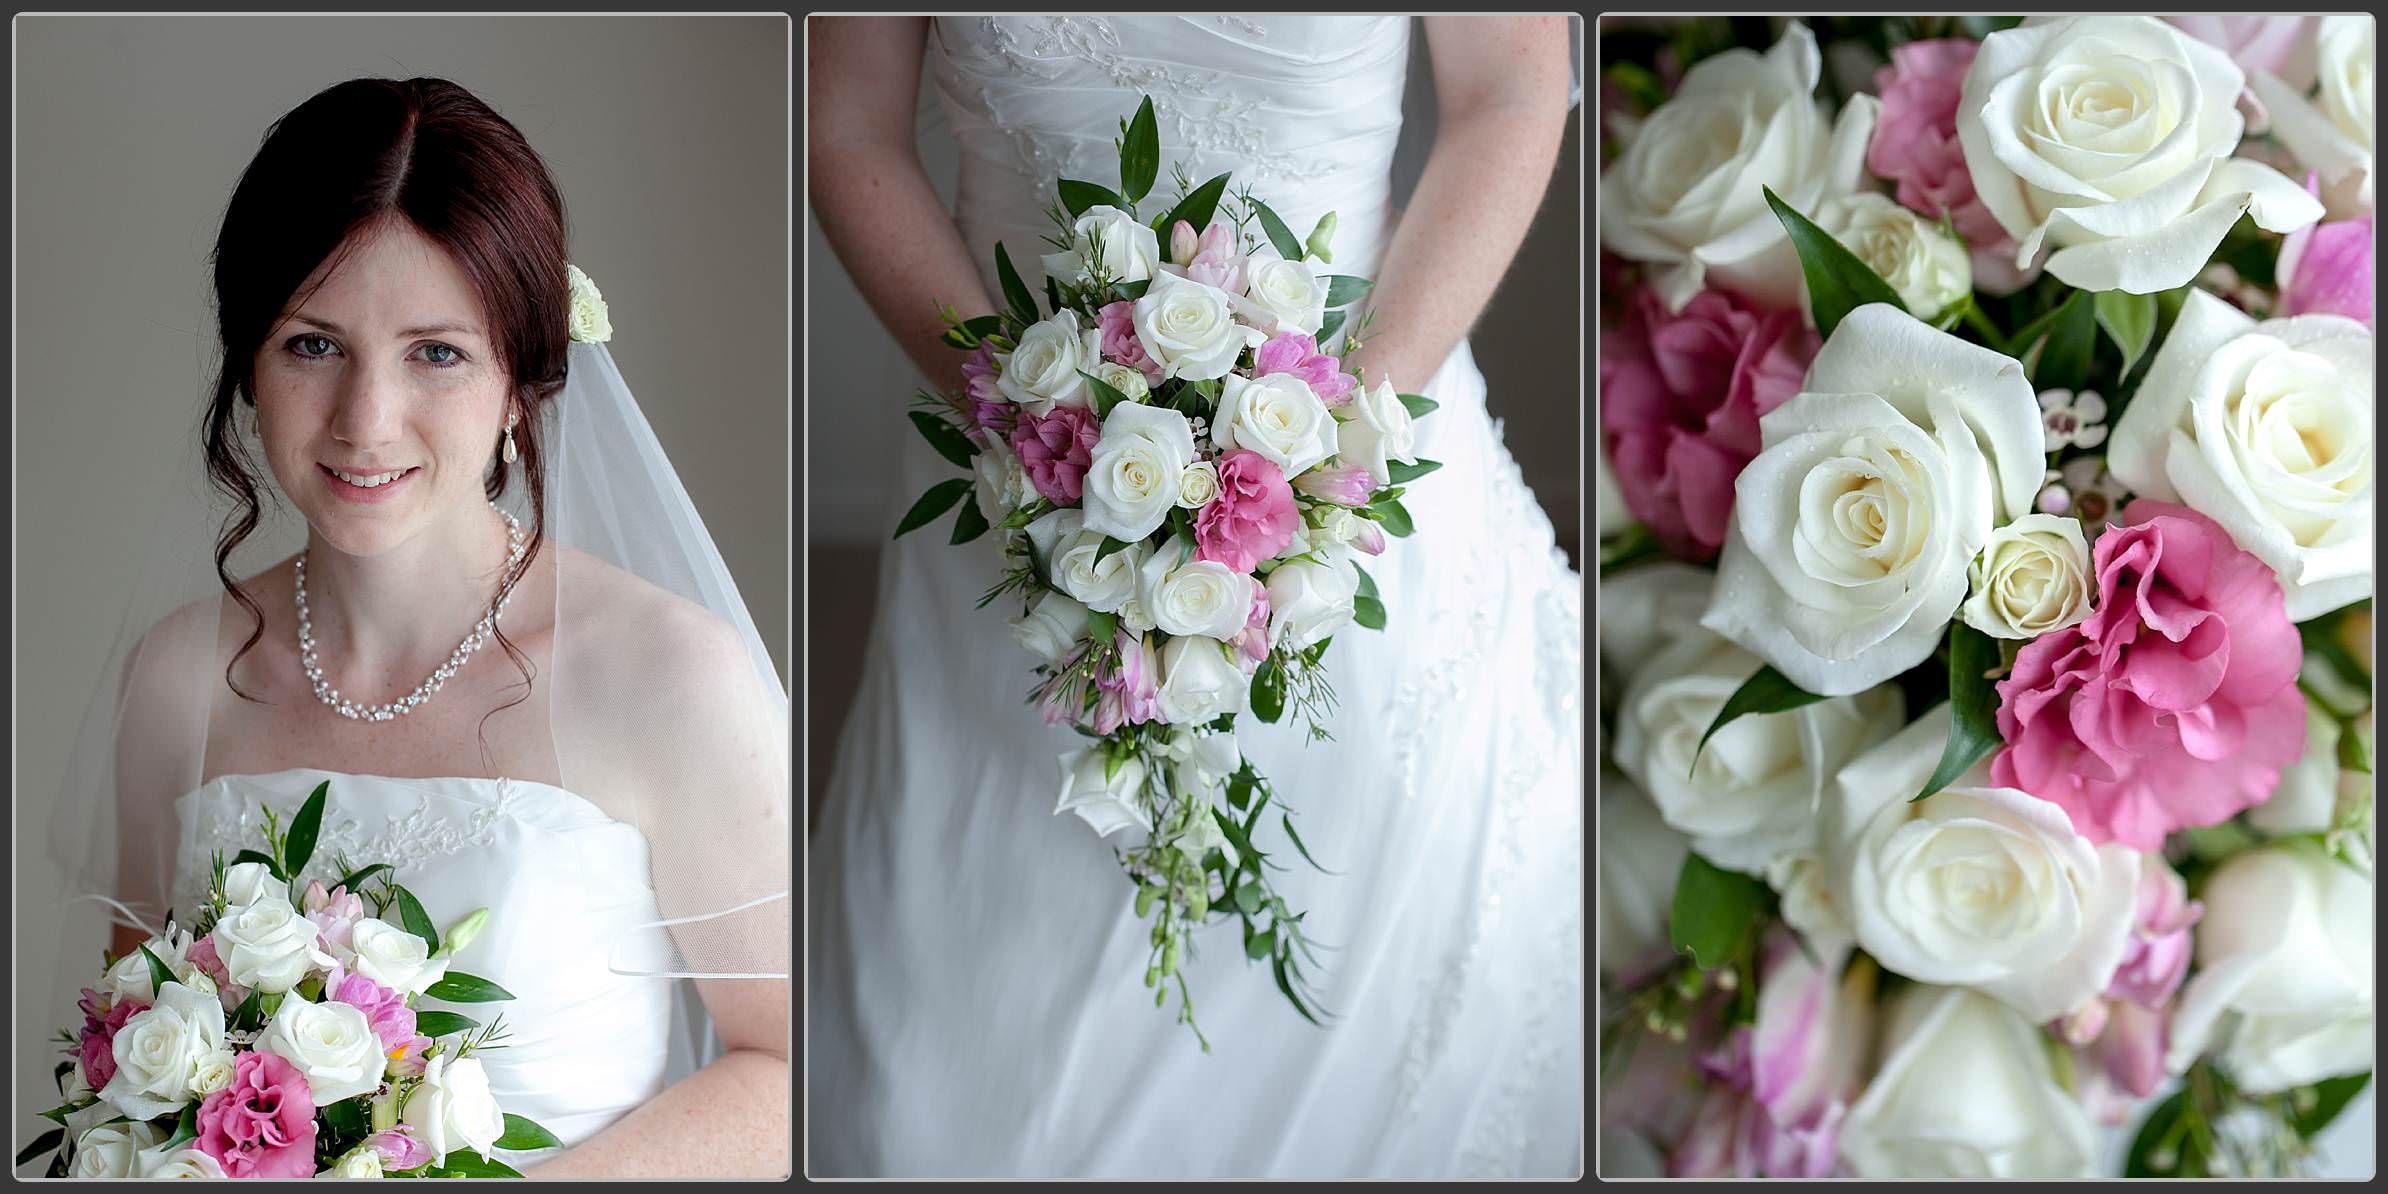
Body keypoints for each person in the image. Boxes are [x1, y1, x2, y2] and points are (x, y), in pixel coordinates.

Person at [807, 16, 1583, 1178]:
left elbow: (1512, 99)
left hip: (1355, 460)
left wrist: (1320, 457)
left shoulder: (1335, 463)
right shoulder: (1025, 445)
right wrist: (1037, 435)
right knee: (941, 1081)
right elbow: (845, 120)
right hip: (1014, 460)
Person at [40, 77, 790, 1178]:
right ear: (248, 359)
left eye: (435, 352)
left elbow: (784, 1070)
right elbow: (129, 1066)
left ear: (517, 387)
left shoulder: (667, 677)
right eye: (312, 345)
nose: (364, 421)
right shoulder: (179, 678)